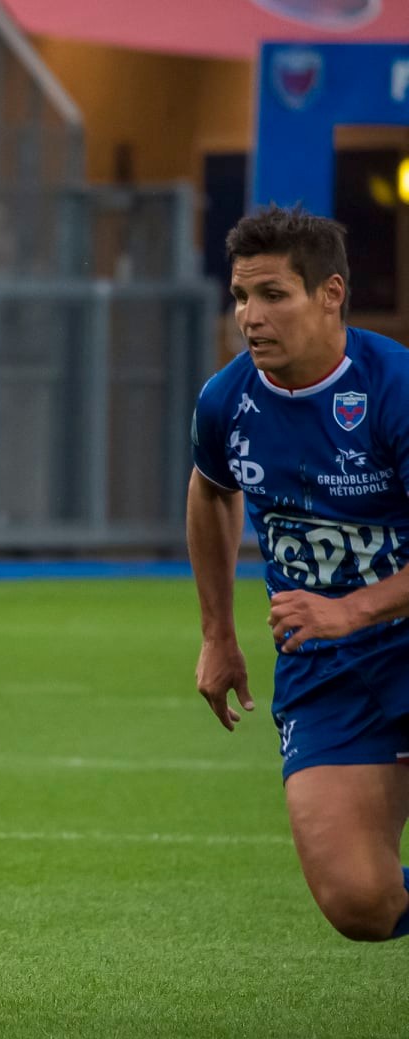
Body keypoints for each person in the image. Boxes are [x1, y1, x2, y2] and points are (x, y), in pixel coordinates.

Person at [189, 204, 409, 943]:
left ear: (331, 294)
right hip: (327, 669)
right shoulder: (227, 402)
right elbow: (212, 488)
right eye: (242, 296)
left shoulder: (394, 390)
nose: (250, 315)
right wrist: (218, 633)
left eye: (273, 295)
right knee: (360, 903)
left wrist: (353, 608)